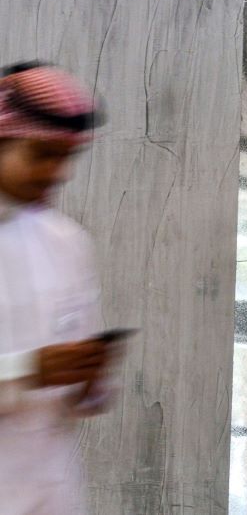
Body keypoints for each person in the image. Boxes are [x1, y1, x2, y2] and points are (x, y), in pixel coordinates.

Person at [0, 62, 117, 514]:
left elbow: (84, 395)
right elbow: (35, 370)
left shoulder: (68, 242)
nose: (58, 171)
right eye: (42, 154)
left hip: (53, 493)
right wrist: (28, 370)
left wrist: (88, 378)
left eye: (66, 157)